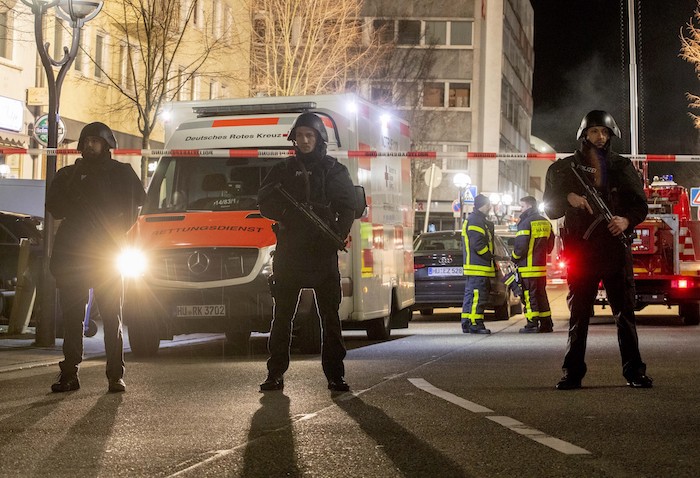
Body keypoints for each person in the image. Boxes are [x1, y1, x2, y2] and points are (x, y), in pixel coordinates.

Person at [543, 110, 653, 390]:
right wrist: (568, 197)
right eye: (594, 131)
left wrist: (626, 220)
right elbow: (551, 208)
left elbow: (640, 205)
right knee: (579, 315)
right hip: (581, 251)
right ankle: (572, 372)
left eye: (604, 132)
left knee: (624, 314)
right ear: (584, 134)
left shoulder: (621, 166)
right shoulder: (564, 169)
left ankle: (634, 371)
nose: (600, 137)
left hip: (615, 250)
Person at [257, 112, 357, 393]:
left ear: (318, 138)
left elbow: (348, 206)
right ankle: (275, 373)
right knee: (282, 316)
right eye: (300, 135)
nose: (304, 140)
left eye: (309, 135)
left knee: (330, 317)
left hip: (322, 252)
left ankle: (335, 375)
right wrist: (288, 213)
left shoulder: (334, 170)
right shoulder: (283, 170)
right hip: (290, 251)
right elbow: (264, 201)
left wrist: (336, 232)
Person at [47, 122, 146, 393]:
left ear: (106, 144)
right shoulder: (69, 175)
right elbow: (54, 207)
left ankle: (115, 375)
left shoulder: (120, 173)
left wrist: (117, 229)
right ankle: (69, 373)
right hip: (74, 253)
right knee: (72, 318)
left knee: (112, 315)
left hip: (106, 252)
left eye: (96, 141)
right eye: (87, 141)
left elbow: (136, 204)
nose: (90, 145)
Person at [511, 196, 554, 333]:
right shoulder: (546, 222)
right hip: (540, 267)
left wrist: (514, 258)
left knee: (530, 296)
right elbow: (550, 245)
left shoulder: (525, 223)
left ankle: (532, 323)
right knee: (541, 295)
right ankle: (547, 323)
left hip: (527, 267)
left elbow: (520, 247)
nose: (521, 209)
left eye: (522, 206)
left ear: (528, 206)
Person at [461, 194, 495, 334]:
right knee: (478, 296)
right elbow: (478, 244)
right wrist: (489, 256)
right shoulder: (476, 221)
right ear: (485, 205)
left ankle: (467, 322)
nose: (490, 207)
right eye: (489, 205)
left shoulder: (476, 219)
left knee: (471, 296)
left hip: (475, 266)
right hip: (479, 266)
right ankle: (476, 323)